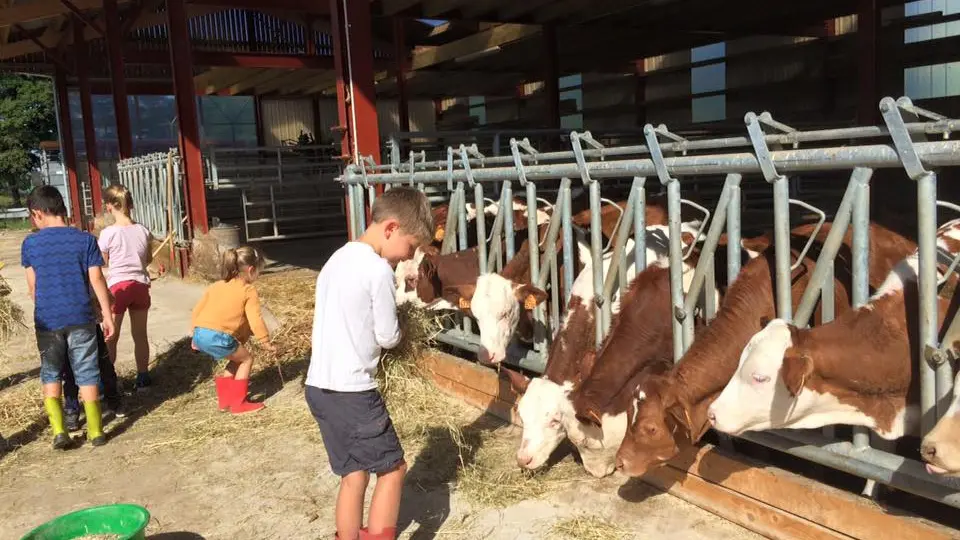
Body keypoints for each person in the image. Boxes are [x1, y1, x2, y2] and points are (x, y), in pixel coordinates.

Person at [305, 187, 433, 540]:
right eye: (409, 247)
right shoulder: (377, 270)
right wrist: (403, 324)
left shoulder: (335, 259)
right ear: (391, 228)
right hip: (354, 391)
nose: (407, 256)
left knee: (354, 472)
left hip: (318, 387)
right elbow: (388, 336)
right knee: (393, 470)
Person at [21, 186, 115, 449]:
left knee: (51, 372)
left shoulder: (31, 243)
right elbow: (96, 279)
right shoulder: (84, 240)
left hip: (48, 320)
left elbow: (33, 288)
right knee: (87, 370)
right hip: (82, 316)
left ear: (38, 213)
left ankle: (59, 431)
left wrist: (46, 304)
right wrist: (107, 315)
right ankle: (96, 431)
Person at [191, 246, 275, 414]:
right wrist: (265, 341)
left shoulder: (216, 286)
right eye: (259, 271)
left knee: (235, 360)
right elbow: (255, 319)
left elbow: (197, 310)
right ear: (251, 270)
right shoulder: (248, 290)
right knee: (246, 360)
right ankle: (239, 403)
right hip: (219, 336)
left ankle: (225, 402)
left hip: (200, 333)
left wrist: (194, 335)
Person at [98, 184, 154, 392]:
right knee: (140, 335)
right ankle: (143, 377)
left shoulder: (108, 234)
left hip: (118, 288)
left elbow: (103, 263)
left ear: (110, 206)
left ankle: (108, 381)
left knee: (111, 336)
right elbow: (147, 259)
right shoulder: (143, 230)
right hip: (140, 285)